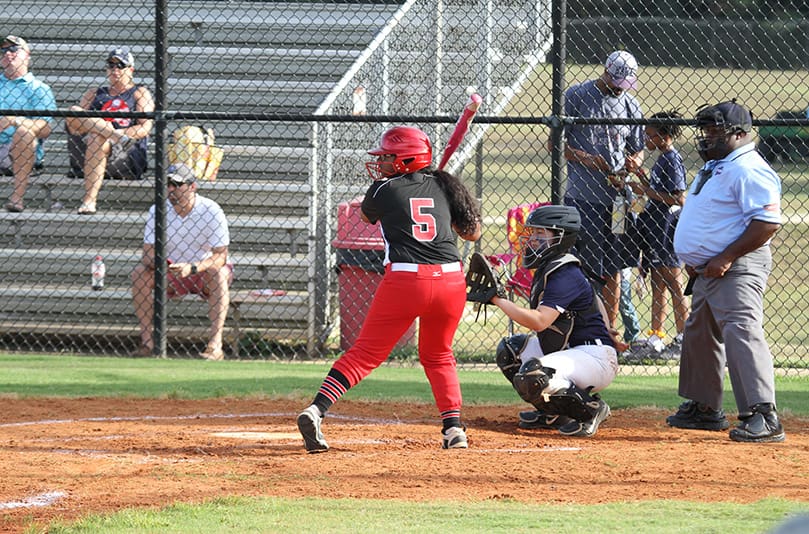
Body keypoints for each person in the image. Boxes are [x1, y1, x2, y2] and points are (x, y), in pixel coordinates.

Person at [296, 126, 482, 453]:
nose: (382, 163)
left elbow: (370, 216)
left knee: (365, 354)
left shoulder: (382, 190)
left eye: (388, 157)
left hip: (406, 280)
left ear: (408, 158)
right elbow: (472, 234)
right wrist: (447, 202)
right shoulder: (445, 184)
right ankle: (454, 429)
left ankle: (317, 410)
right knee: (439, 355)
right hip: (451, 281)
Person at [667, 100, 784, 443]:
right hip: (707, 269)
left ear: (740, 133)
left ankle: (764, 414)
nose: (707, 137)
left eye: (715, 130)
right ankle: (705, 407)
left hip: (737, 266)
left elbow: (766, 222)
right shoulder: (720, 164)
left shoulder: (749, 167)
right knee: (699, 331)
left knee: (741, 330)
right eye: (705, 130)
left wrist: (727, 257)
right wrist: (698, 254)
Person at [489, 205, 622, 437]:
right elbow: (593, 296)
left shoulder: (565, 272)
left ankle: (591, 410)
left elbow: (540, 321)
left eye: (542, 234)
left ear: (561, 238)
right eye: (533, 233)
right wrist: (607, 327)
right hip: (573, 352)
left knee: (535, 374)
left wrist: (498, 300)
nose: (533, 239)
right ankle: (553, 412)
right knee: (511, 351)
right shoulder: (557, 267)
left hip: (593, 357)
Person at [560, 49, 645, 342]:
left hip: (618, 200)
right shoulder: (578, 96)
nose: (619, 89)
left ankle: (609, 330)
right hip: (583, 198)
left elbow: (639, 148)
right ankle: (584, 329)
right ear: (606, 72)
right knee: (583, 265)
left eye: (625, 84)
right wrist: (591, 160)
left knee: (615, 265)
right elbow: (558, 146)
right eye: (616, 81)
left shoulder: (631, 105)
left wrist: (635, 161)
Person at [131, 163, 232, 361]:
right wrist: (162, 265)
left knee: (218, 273)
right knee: (139, 274)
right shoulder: (157, 209)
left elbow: (221, 256)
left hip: (202, 271)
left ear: (192, 186)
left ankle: (215, 345)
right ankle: (147, 343)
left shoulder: (211, 210)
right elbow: (147, 254)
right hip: (171, 271)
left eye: (177, 185)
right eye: (167, 184)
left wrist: (192, 267)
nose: (171, 189)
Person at [626, 111, 689, 356]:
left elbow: (678, 197)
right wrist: (639, 175)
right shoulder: (662, 159)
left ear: (664, 136)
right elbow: (656, 188)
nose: (646, 139)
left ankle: (685, 337)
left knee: (675, 284)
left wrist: (643, 190)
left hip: (666, 228)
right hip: (654, 228)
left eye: (650, 135)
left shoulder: (672, 160)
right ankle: (657, 335)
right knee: (657, 285)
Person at [65, 47, 154, 214]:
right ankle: (110, 133)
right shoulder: (94, 93)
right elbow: (73, 124)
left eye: (121, 65)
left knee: (97, 138)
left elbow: (145, 128)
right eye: (111, 65)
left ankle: (89, 200)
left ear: (131, 70)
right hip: (90, 148)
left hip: (124, 153)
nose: (115, 70)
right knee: (75, 111)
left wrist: (119, 135)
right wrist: (109, 131)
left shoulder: (139, 93)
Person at [1, 35, 56, 213]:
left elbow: (45, 128)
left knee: (24, 132)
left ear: (27, 55)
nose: (8, 54)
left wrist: (15, 121)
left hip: (20, 148)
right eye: (3, 50)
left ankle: (17, 198)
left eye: (13, 50)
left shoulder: (39, 89)